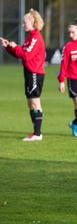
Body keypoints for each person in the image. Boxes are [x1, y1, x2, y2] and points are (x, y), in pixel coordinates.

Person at [0, 9, 45, 141]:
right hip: (29, 71)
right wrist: (9, 47)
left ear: (32, 22)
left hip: (35, 72)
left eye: (24, 22)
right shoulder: (30, 37)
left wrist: (16, 47)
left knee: (35, 102)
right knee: (30, 103)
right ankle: (36, 132)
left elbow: (26, 55)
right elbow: (20, 54)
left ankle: (37, 134)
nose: (23, 25)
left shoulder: (36, 37)